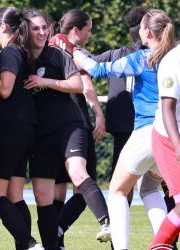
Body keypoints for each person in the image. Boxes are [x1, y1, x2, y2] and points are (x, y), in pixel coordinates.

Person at [50, 9, 175, 250]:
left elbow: (96, 69)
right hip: (168, 135)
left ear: (147, 32)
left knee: (117, 191)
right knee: (149, 187)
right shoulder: (174, 57)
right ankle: (163, 244)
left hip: (146, 132)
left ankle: (121, 248)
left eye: (140, 28)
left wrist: (70, 48)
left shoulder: (141, 58)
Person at [23, 9, 110, 249]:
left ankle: (106, 223)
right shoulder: (24, 55)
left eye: (44, 28)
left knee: (79, 178)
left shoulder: (61, 52)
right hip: (45, 131)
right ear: (75, 30)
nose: (42, 33)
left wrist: (99, 114)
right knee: (51, 194)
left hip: (73, 125)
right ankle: (56, 238)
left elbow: (82, 83)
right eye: (89, 29)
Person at [0, 7, 43, 250]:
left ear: (3, 27)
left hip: (10, 127)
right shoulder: (20, 50)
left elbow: (5, 90)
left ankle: (30, 244)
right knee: (16, 196)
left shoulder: (10, 52)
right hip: (25, 127)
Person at [51, 9, 106, 249]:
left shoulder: (51, 46)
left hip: (52, 126)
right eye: (88, 29)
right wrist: (99, 114)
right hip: (75, 124)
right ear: (75, 31)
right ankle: (107, 222)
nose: (90, 34)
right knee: (82, 184)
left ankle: (56, 237)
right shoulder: (72, 51)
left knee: (60, 191)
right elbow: (86, 84)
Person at [149, 42, 180, 249]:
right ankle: (158, 245)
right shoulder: (173, 60)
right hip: (169, 139)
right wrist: (178, 146)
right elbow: (168, 108)